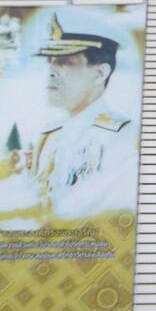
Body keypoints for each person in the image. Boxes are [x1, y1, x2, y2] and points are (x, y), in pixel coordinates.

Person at [17, 15, 137, 217]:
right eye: (50, 61)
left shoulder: (122, 136)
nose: (51, 70)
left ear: (100, 73)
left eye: (65, 61)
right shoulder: (48, 135)